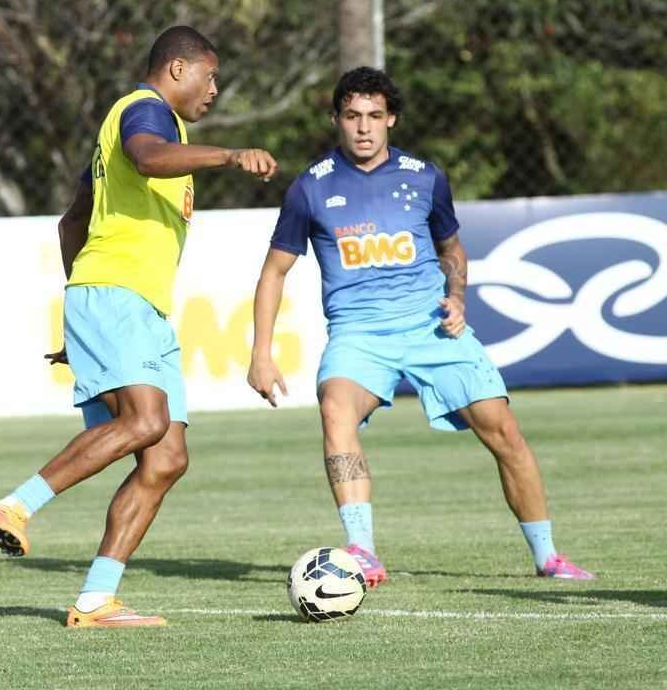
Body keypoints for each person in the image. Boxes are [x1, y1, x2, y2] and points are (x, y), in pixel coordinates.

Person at [0, 26, 278, 627]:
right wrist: (230, 155)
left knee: (167, 458)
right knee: (145, 421)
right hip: (118, 298)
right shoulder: (144, 114)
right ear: (178, 69)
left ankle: (94, 600)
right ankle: (13, 506)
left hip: (130, 306)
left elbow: (70, 224)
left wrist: (77, 314)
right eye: (209, 76)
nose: (215, 89)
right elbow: (147, 157)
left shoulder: (149, 130)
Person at [246, 66, 593, 586]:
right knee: (335, 408)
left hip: (433, 328)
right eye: (352, 116)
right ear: (336, 120)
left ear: (392, 120)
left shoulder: (425, 177)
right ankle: (361, 551)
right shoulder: (309, 189)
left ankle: (548, 556)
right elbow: (274, 272)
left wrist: (457, 297)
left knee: (504, 431)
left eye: (375, 116)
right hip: (359, 335)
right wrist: (261, 354)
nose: (364, 127)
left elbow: (451, 249)